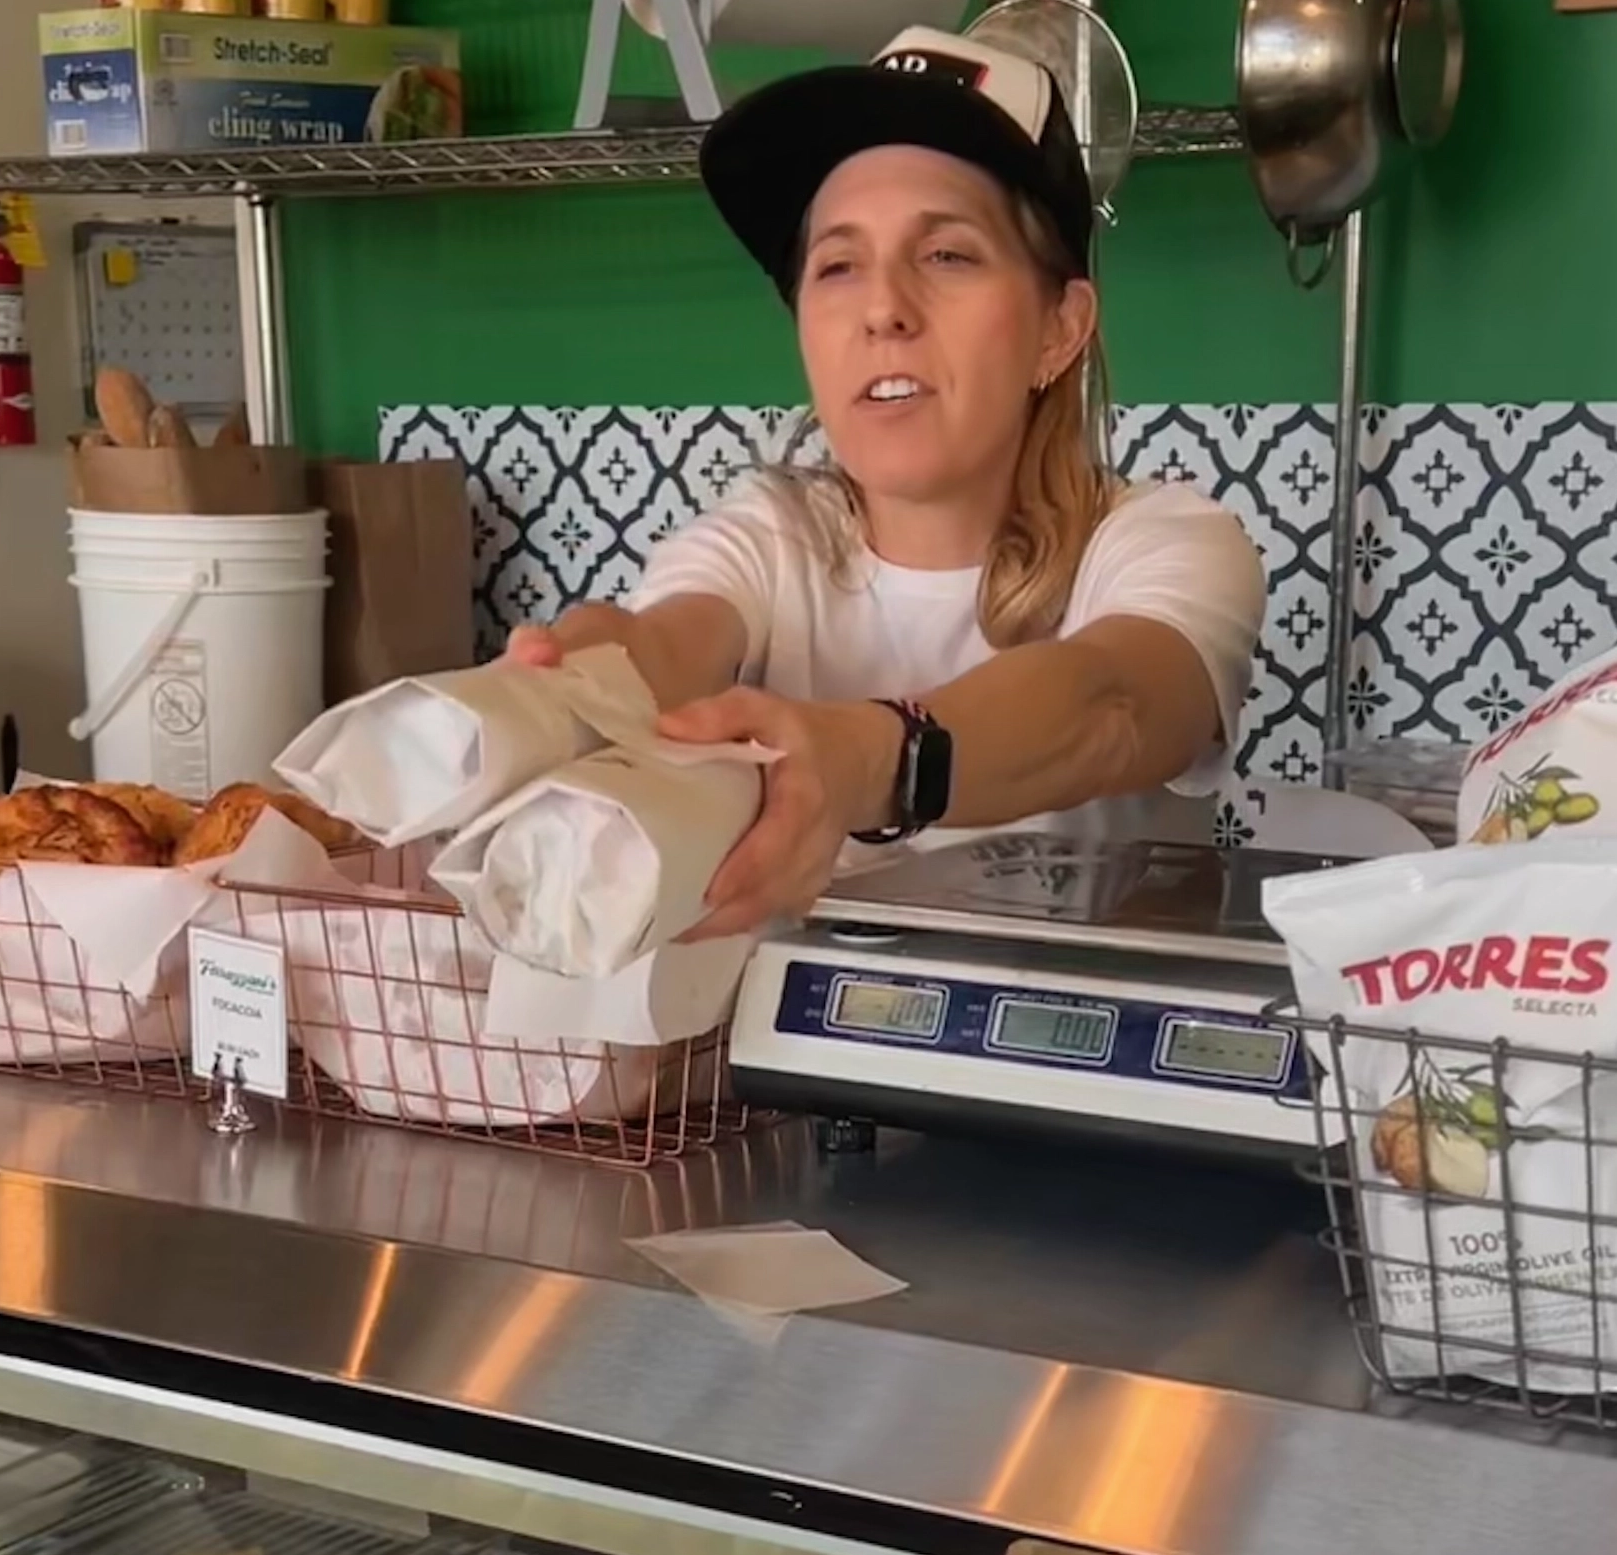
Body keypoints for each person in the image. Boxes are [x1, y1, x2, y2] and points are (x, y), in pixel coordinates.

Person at [507, 24, 1267, 939]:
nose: (882, 309)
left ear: (1060, 329)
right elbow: (667, 641)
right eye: (837, 265)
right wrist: (574, 683)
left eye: (947, 255)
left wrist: (870, 758)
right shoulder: (769, 538)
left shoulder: (1169, 543)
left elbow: (1113, 703)